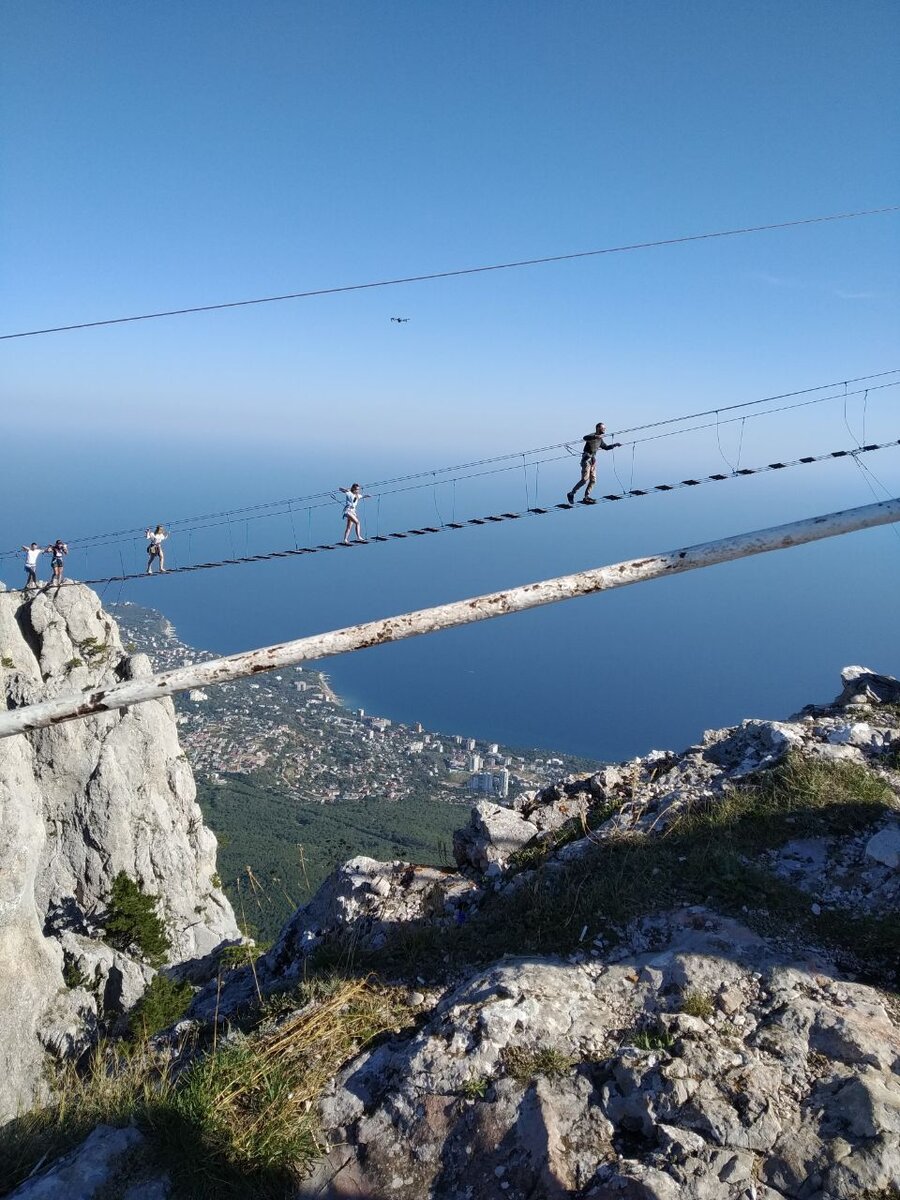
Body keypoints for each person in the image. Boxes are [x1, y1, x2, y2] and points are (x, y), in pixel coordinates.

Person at [566, 422, 622, 505]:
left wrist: (615, 445)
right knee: (584, 480)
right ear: (598, 428)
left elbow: (606, 447)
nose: (605, 429)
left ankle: (586, 497)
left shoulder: (600, 440)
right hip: (586, 459)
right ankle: (571, 494)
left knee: (593, 480)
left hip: (593, 461)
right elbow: (585, 437)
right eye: (603, 428)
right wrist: (595, 436)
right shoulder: (592, 436)